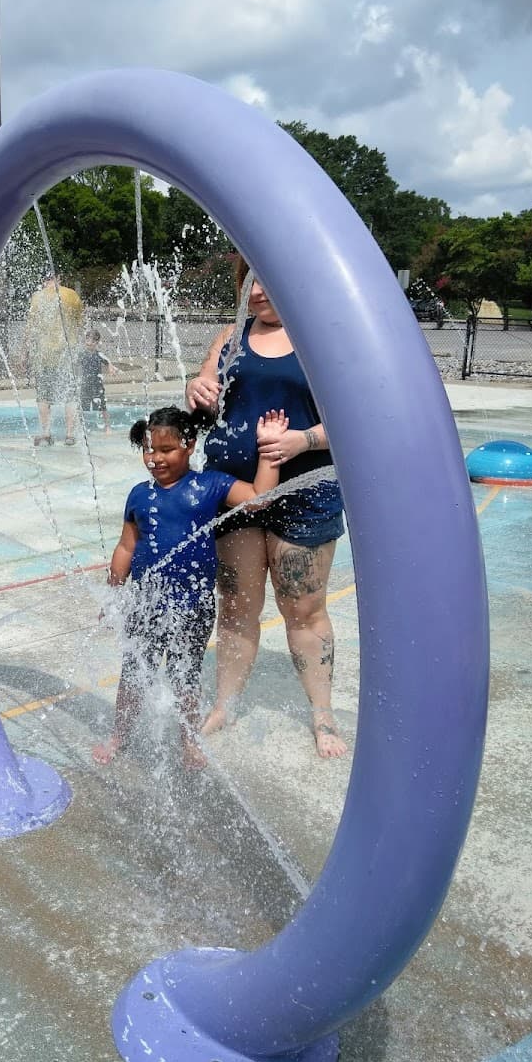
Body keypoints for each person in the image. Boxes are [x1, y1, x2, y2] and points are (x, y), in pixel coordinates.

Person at [186, 258, 347, 758]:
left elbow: (355, 420)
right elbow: (204, 396)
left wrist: (302, 441)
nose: (255, 291)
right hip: (235, 493)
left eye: (266, 279)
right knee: (236, 608)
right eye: (249, 280)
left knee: (302, 609)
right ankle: (225, 704)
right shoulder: (229, 336)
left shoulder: (323, 340)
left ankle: (322, 715)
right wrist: (197, 390)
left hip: (304, 496)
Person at [92, 404, 288, 771]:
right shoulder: (139, 495)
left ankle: (189, 740)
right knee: (134, 672)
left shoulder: (209, 484)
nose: (156, 459)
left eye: (166, 450)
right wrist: (113, 592)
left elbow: (259, 498)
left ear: (190, 445)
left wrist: (269, 451)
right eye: (150, 450)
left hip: (192, 605)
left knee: (186, 676)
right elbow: (126, 547)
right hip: (145, 601)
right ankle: (120, 733)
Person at [21, 273, 85, 446]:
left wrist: (24, 353)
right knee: (70, 395)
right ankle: (70, 435)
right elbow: (80, 325)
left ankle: (46, 433)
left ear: (44, 280)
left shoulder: (37, 297)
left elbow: (30, 329)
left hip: (44, 355)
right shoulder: (71, 295)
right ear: (59, 278)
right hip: (67, 353)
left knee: (43, 397)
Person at [78, 328, 117, 431]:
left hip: (97, 385)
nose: (89, 342)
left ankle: (107, 426)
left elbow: (108, 361)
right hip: (85, 385)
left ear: (96, 342)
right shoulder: (81, 354)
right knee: (83, 408)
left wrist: (111, 367)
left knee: (102, 407)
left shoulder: (98, 354)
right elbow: (74, 364)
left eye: (92, 340)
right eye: (87, 339)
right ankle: (82, 427)